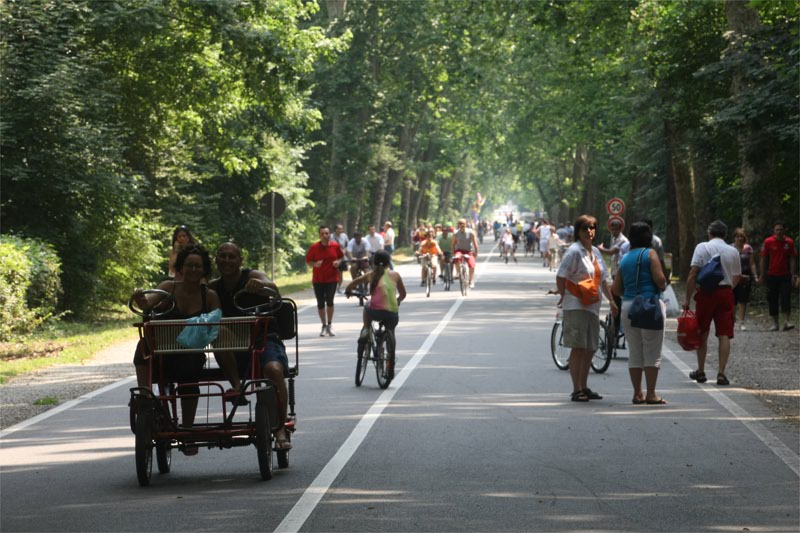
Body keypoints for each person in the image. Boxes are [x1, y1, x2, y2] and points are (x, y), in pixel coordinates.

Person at [133, 246, 220, 452]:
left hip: (189, 354)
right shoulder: (167, 288)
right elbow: (148, 305)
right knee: (142, 345)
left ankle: (187, 431)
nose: (193, 269)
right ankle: (145, 398)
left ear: (204, 270)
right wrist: (141, 300)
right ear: (180, 268)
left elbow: (217, 327)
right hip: (162, 352)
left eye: (198, 266)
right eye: (189, 265)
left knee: (189, 372)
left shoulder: (209, 296)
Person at [209, 242, 292, 450]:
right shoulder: (212, 288)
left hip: (264, 339)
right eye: (222, 256)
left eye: (231, 256)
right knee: (216, 331)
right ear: (216, 259)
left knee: (273, 370)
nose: (227, 260)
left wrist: (262, 287)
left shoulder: (252, 276)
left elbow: (273, 290)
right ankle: (237, 387)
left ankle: (280, 428)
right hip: (232, 347)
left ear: (240, 260)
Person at [556, 215, 617, 402]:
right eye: (585, 229)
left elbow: (604, 280)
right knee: (578, 347)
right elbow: (561, 276)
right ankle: (576, 389)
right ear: (578, 232)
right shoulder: (574, 252)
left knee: (590, 347)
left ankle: (584, 386)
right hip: (576, 305)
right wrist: (563, 295)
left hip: (592, 306)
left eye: (592, 228)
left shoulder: (596, 253)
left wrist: (612, 301)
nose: (589, 232)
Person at [612, 222, 668, 405]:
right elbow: (660, 279)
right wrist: (662, 285)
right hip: (649, 305)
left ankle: (637, 393)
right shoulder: (650, 254)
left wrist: (629, 295)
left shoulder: (625, 257)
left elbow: (615, 288)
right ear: (649, 237)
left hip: (628, 306)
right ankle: (651, 394)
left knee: (635, 351)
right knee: (652, 351)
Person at [682, 220, 741, 386]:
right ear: (725, 234)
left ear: (710, 233)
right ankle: (721, 373)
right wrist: (728, 287)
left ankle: (701, 371)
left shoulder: (702, 247)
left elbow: (693, 273)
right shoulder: (733, 251)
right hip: (726, 294)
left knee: (702, 332)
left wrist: (687, 298)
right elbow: (736, 276)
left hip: (706, 294)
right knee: (724, 334)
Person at [346, 250, 406, 360]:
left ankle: (366, 329)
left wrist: (348, 289)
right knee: (391, 331)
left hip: (375, 312)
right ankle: (391, 357)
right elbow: (403, 294)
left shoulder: (371, 275)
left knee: (366, 306)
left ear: (373, 263)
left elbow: (354, 282)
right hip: (392, 314)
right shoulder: (395, 275)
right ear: (388, 263)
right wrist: (397, 301)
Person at [305, 225, 345, 337]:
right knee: (320, 302)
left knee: (330, 300)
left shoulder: (335, 246)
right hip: (318, 279)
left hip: (332, 278)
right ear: (319, 235)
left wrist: (338, 262)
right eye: (322, 234)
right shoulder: (314, 247)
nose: (325, 236)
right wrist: (315, 264)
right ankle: (323, 325)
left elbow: (341, 256)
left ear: (329, 234)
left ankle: (330, 324)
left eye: (326, 233)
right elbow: (308, 261)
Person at [757, 222, 797, 331]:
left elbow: (792, 258)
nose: (779, 232)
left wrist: (793, 274)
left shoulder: (789, 242)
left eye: (781, 230)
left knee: (786, 297)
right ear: (774, 231)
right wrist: (762, 274)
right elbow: (763, 258)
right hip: (771, 275)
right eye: (777, 230)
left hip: (785, 275)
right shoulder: (768, 241)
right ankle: (775, 323)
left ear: (784, 230)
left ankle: (787, 322)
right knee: (772, 299)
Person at [731, 228, 756, 331]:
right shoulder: (730, 248)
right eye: (738, 236)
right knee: (732, 301)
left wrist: (755, 275)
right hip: (733, 278)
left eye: (741, 236)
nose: (740, 238)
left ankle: (741, 322)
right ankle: (732, 320)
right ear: (734, 238)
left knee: (743, 300)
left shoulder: (748, 248)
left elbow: (752, 263)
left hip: (745, 277)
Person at [452, 218, 479, 289]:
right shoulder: (455, 233)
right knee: (456, 258)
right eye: (460, 223)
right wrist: (453, 253)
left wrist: (476, 252)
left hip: (468, 251)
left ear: (466, 224)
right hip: (459, 250)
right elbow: (453, 244)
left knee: (472, 265)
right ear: (458, 225)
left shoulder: (471, 232)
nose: (461, 225)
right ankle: (458, 273)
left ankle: (471, 281)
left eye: (463, 223)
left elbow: (475, 243)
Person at [333, 224, 350, 294]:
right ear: (336, 229)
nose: (341, 230)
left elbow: (347, 245)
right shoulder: (331, 237)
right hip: (334, 257)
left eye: (342, 229)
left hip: (342, 257)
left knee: (340, 273)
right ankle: (333, 287)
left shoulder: (344, 236)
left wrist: (344, 251)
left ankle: (338, 287)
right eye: (340, 229)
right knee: (333, 273)